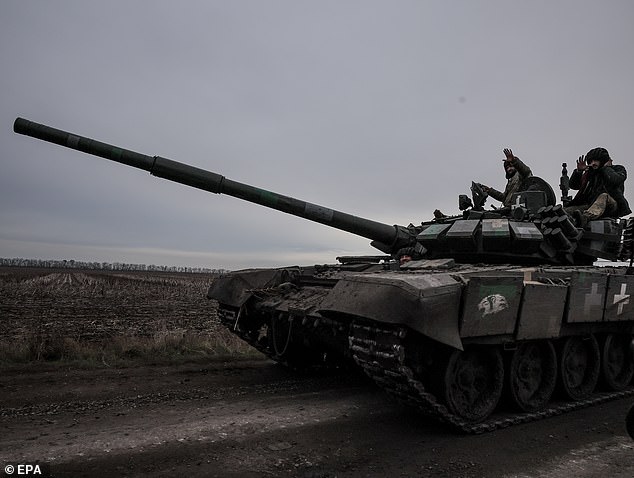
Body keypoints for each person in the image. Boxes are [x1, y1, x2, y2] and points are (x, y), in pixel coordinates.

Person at [564, 147, 630, 226]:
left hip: (611, 205)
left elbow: (614, 180)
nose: (593, 163)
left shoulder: (617, 169)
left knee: (603, 196)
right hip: (591, 206)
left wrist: (606, 168)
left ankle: (585, 218)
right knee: (565, 211)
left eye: (596, 160)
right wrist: (579, 171)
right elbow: (574, 186)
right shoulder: (590, 174)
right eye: (591, 161)